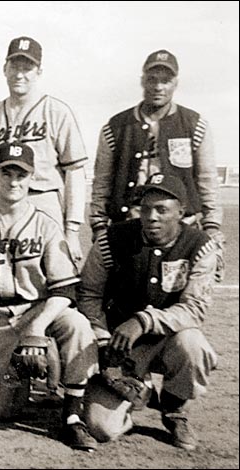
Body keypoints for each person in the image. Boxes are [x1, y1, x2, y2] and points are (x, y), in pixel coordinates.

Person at [0, 142, 98, 451]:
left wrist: (36, 328)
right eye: (7, 173)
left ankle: (72, 414)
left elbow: (65, 289)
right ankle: (20, 368)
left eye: (21, 175)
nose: (14, 182)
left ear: (31, 179)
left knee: (77, 325)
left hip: (36, 308)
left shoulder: (45, 223)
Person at [79, 173, 218, 451]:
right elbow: (88, 294)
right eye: (145, 209)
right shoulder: (111, 240)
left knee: (194, 345)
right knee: (102, 429)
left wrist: (145, 320)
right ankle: (140, 393)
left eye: (161, 209)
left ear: (181, 212)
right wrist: (103, 339)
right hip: (119, 345)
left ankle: (173, 409)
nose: (151, 216)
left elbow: (195, 308)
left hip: (169, 341)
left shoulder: (200, 246)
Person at [89, 49, 224, 278]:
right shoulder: (116, 127)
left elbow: (207, 181)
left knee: (180, 297)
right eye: (152, 79)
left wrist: (212, 228)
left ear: (176, 83)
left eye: (166, 80)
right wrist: (99, 226)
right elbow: (102, 183)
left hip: (182, 229)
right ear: (142, 81)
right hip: (128, 227)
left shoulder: (195, 125)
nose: (158, 86)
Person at [0, 36, 87, 263]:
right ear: (4, 69)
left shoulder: (57, 112)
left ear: (39, 71)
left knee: (48, 280)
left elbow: (75, 171)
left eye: (27, 68)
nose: (20, 74)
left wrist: (72, 230)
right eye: (14, 67)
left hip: (42, 202)